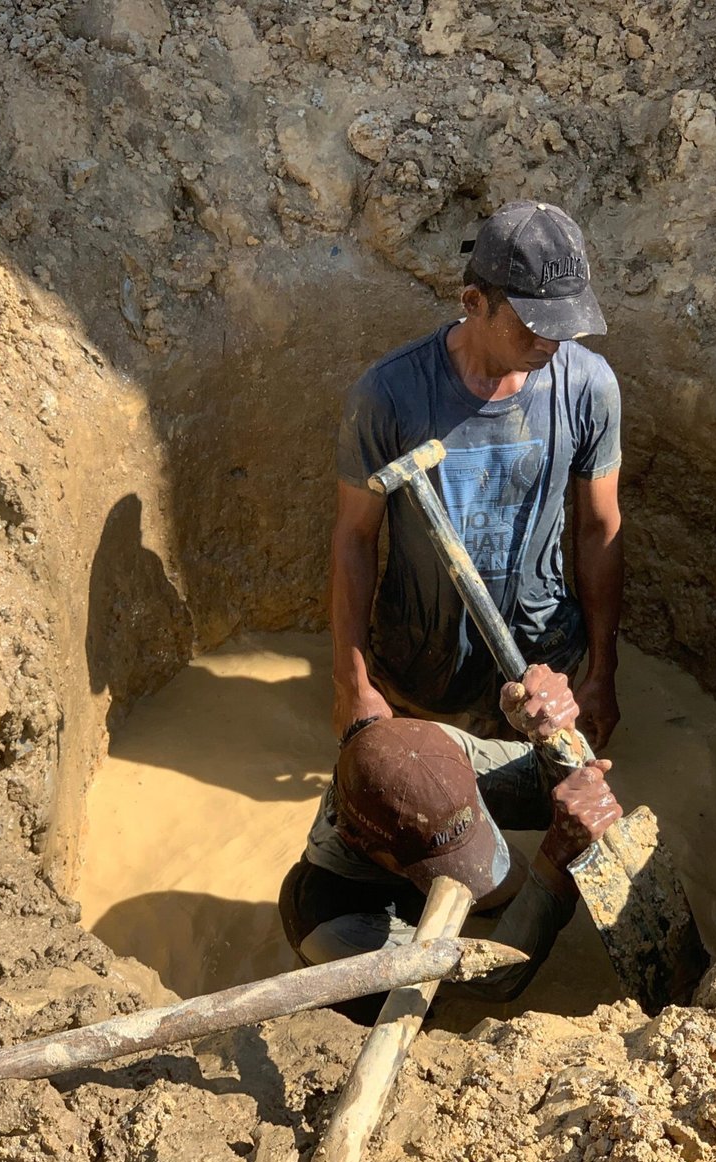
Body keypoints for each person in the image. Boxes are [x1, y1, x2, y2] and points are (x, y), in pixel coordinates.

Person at [330, 199, 624, 745]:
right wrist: (352, 682)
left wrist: (601, 674)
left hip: (541, 674)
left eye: (564, 326)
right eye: (533, 326)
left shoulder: (588, 387)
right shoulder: (390, 395)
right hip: (420, 669)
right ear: (474, 302)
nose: (550, 344)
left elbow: (599, 530)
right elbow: (355, 537)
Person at [279, 665, 621, 1013]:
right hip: (376, 996)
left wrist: (557, 736)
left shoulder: (433, 753)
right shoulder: (333, 927)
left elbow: (552, 790)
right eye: (436, 860)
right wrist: (555, 861)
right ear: (365, 844)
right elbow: (497, 978)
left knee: (513, 884)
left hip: (401, 875)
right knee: (424, 1007)